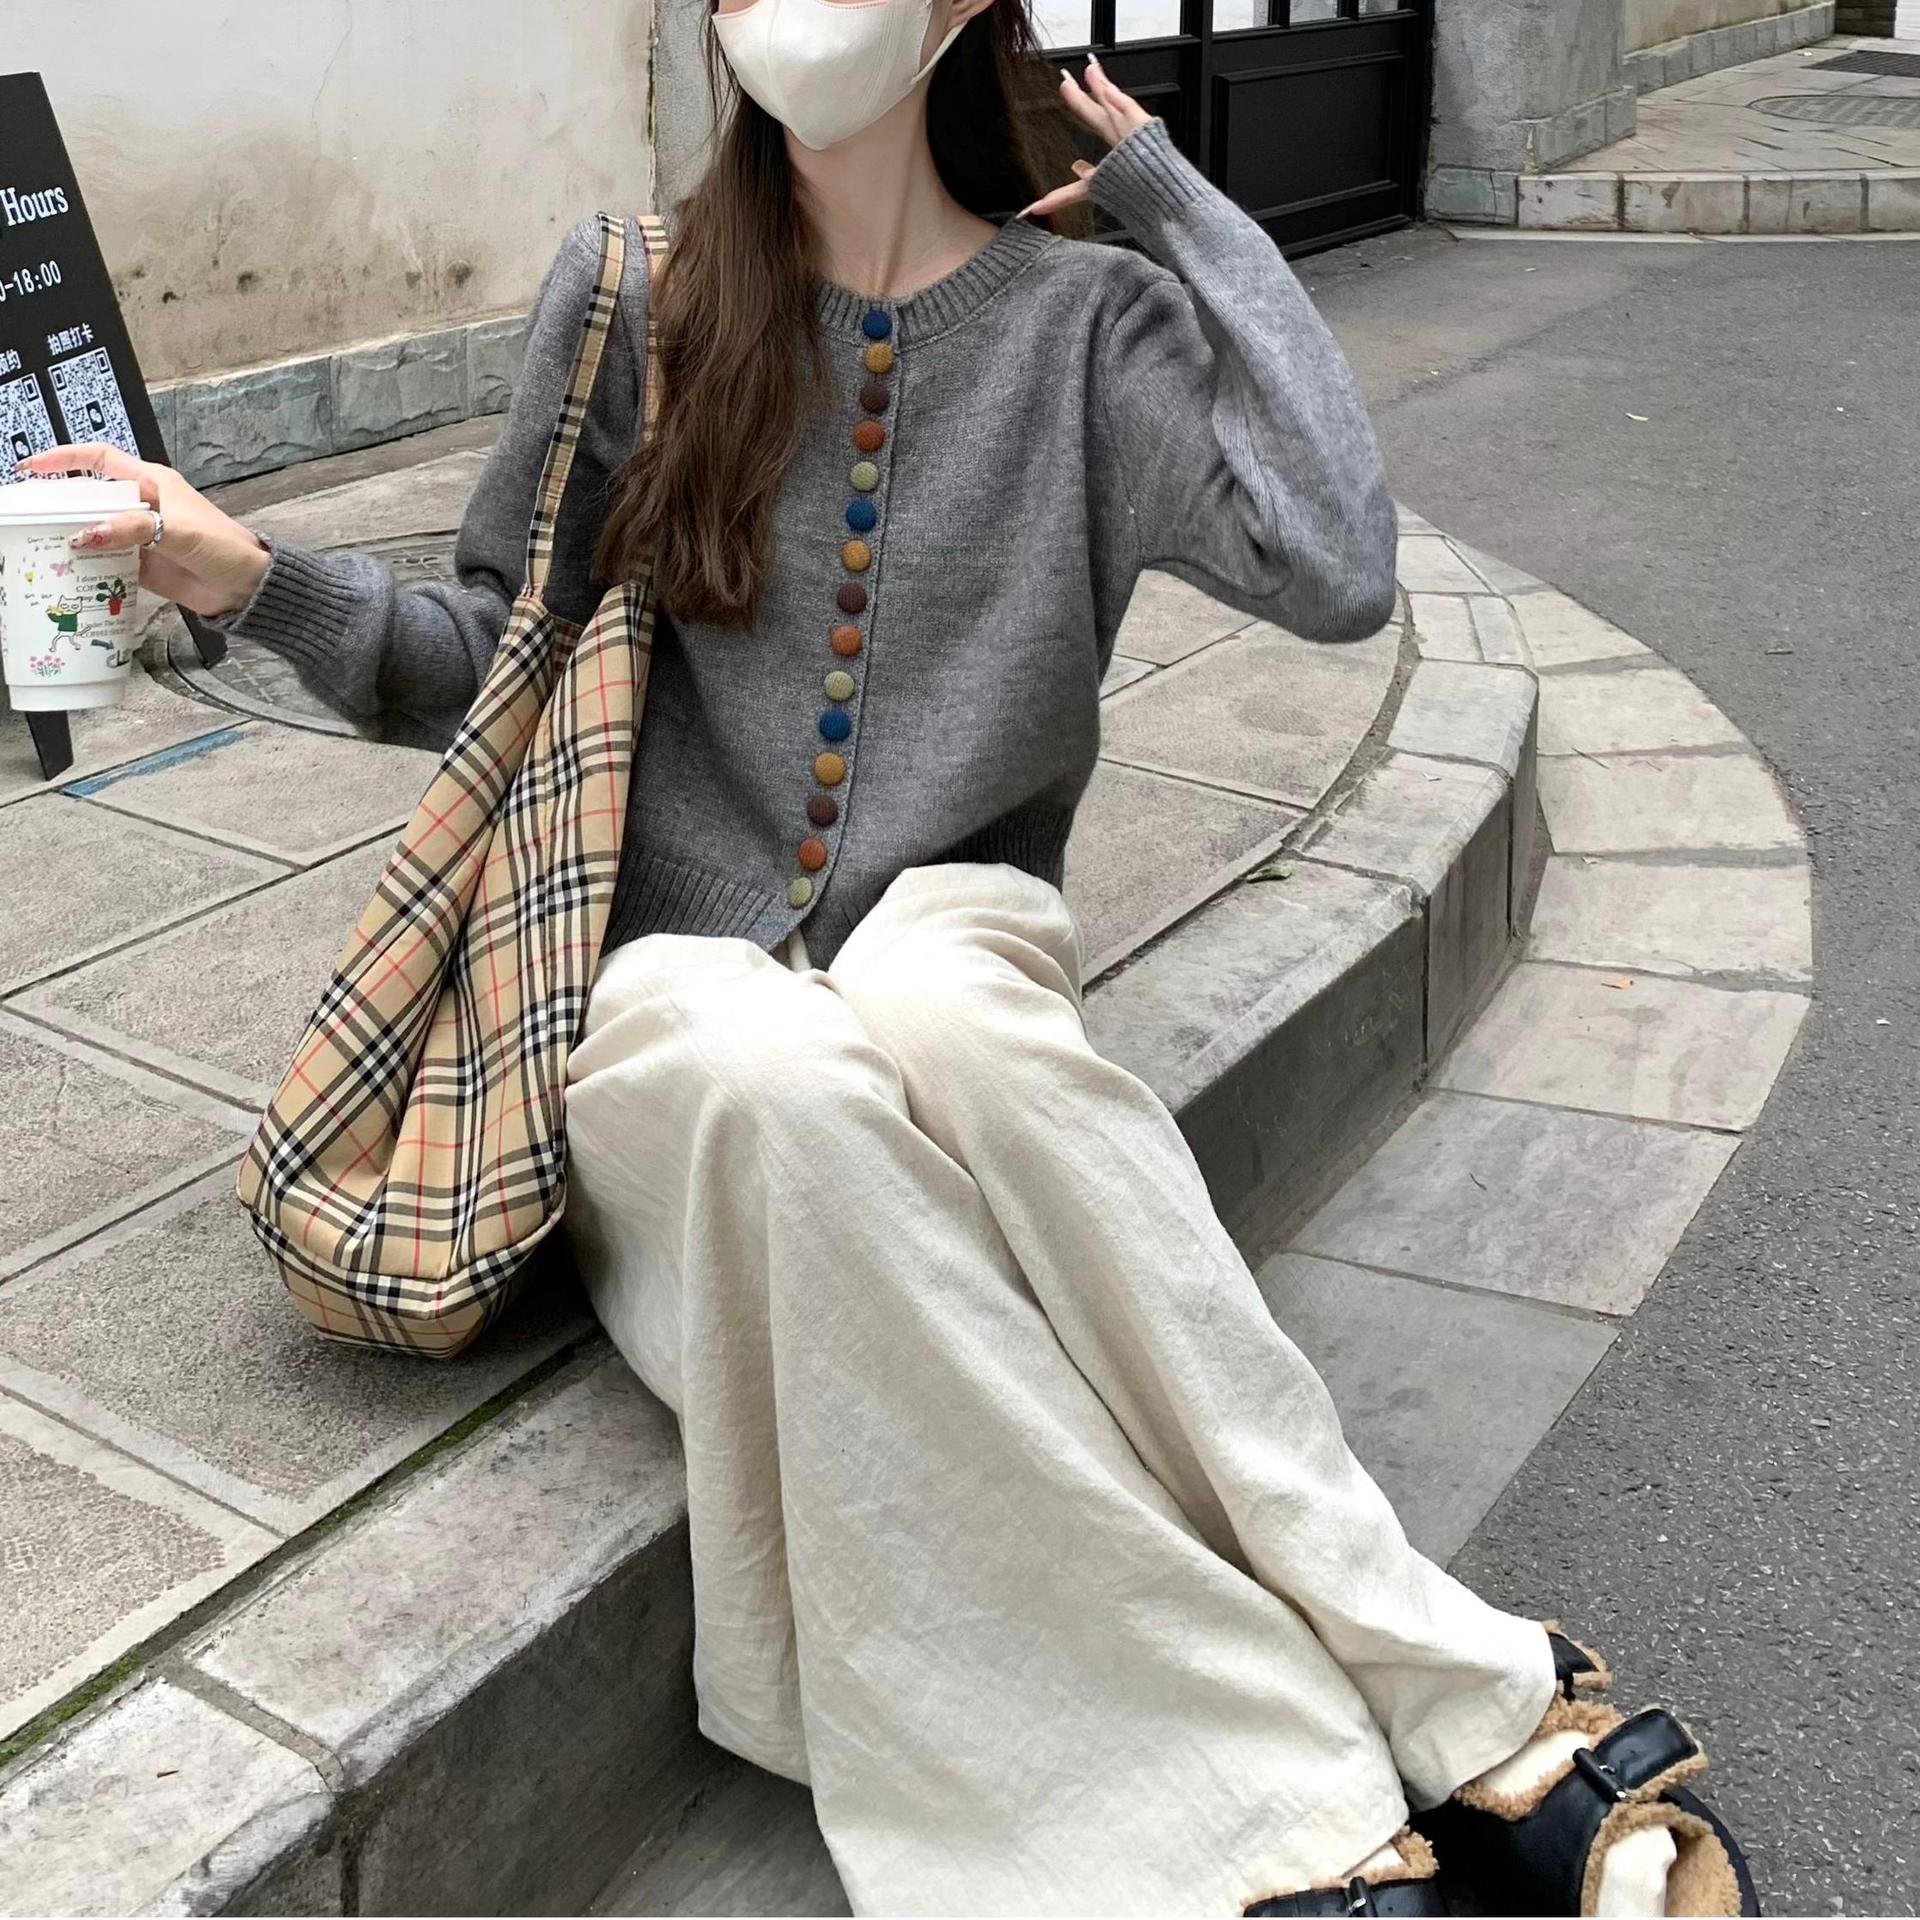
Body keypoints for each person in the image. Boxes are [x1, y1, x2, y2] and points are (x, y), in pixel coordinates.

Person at [16, 0, 1758, 1912]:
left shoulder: (1091, 327)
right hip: (671, 994)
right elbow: (487, 656)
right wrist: (248, 577)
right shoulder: (638, 296)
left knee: (944, 1010)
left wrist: (1174, 200)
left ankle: (1442, 1681)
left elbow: (1336, 565)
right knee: (775, 1065)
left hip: (961, 937)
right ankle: (1288, 1798)